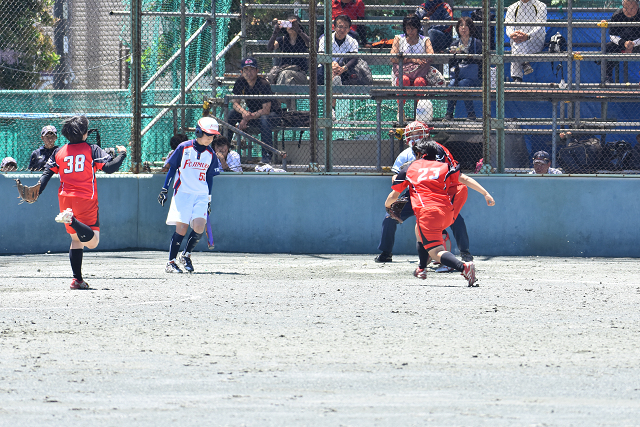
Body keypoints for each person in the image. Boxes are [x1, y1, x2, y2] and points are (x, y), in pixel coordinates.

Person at [375, 121, 495, 264]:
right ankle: (389, 253)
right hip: (414, 193)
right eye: (412, 135)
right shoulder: (406, 156)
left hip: (437, 193)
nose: (415, 138)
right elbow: (396, 179)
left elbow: (461, 177)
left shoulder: (439, 151)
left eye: (418, 134)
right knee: (390, 218)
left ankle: (463, 253)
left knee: (454, 220)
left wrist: (485, 193)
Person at [34, 115, 127, 289]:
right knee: (92, 243)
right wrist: (122, 154)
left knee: (76, 239)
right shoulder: (91, 149)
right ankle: (73, 221)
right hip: (86, 199)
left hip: (65, 200)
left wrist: (37, 191)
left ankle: (77, 280)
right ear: (84, 133)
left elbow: (47, 173)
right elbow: (109, 168)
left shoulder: (59, 151)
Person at [385, 139, 477, 286]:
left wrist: (387, 207)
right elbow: (463, 179)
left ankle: (463, 266)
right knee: (419, 230)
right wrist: (486, 194)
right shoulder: (444, 165)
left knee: (436, 251)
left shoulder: (411, 167)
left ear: (420, 153)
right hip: (446, 209)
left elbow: (394, 195)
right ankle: (422, 267)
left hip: (428, 212)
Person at [158, 117, 222, 274]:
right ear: (198, 132)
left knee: (199, 227)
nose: (210, 138)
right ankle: (170, 262)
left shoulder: (210, 154)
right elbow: (172, 168)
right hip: (183, 193)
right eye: (208, 134)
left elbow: (209, 178)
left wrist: (208, 199)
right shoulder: (184, 147)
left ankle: (186, 255)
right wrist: (165, 189)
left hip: (200, 194)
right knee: (182, 228)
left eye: (213, 135)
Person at [228, 58, 279, 164]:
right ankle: (224, 150)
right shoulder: (240, 81)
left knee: (265, 119)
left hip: (271, 115)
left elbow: (266, 110)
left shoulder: (263, 84)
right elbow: (235, 104)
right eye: (245, 69)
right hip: (252, 114)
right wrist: (244, 112)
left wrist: (247, 117)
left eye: (251, 69)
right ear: (241, 72)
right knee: (231, 114)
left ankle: (266, 156)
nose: (248, 72)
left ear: (257, 71)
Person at [317, 15, 360, 119]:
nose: (342, 29)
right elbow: (321, 55)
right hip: (325, 68)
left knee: (335, 75)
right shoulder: (325, 38)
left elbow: (354, 58)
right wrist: (331, 65)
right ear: (334, 27)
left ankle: (330, 109)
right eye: (340, 26)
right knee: (331, 74)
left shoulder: (352, 41)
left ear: (349, 28)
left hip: (344, 70)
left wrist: (343, 68)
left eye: (346, 27)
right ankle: (332, 107)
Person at [390, 15, 435, 113]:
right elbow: (393, 58)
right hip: (402, 73)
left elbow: (431, 55)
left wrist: (405, 58)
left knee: (419, 82)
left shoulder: (425, 40)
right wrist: (412, 59)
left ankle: (419, 112)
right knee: (404, 80)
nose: (410, 31)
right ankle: (400, 111)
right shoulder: (398, 38)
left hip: (419, 74)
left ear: (418, 28)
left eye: (413, 28)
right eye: (407, 28)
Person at [445, 17, 482, 121]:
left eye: (466, 26)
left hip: (475, 76)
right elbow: (451, 64)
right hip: (459, 75)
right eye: (461, 25)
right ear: (458, 28)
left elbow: (480, 62)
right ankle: (449, 113)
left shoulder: (477, 43)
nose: (463, 28)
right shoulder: (454, 44)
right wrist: (453, 55)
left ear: (470, 28)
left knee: (463, 83)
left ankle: (471, 114)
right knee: (452, 84)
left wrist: (466, 55)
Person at [505, 0, 547, 82]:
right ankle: (524, 65)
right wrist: (512, 35)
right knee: (518, 43)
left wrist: (528, 35)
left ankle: (517, 77)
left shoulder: (541, 6)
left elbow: (539, 26)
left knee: (517, 45)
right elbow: (508, 26)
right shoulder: (512, 7)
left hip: (535, 40)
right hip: (518, 40)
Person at [266, 15, 310, 87]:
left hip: (299, 73)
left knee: (285, 74)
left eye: (293, 25)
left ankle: (278, 98)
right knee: (286, 78)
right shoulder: (282, 39)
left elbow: (310, 44)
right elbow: (270, 48)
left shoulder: (303, 39)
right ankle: (281, 97)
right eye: (288, 24)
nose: (291, 27)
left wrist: (299, 31)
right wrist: (275, 32)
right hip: (283, 71)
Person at [604, 0, 640, 83]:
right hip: (622, 43)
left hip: (638, 43)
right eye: (625, 8)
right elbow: (612, 36)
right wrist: (624, 43)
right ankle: (608, 77)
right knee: (609, 47)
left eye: (632, 8)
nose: (628, 11)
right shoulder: (617, 15)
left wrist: (633, 44)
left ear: (637, 6)